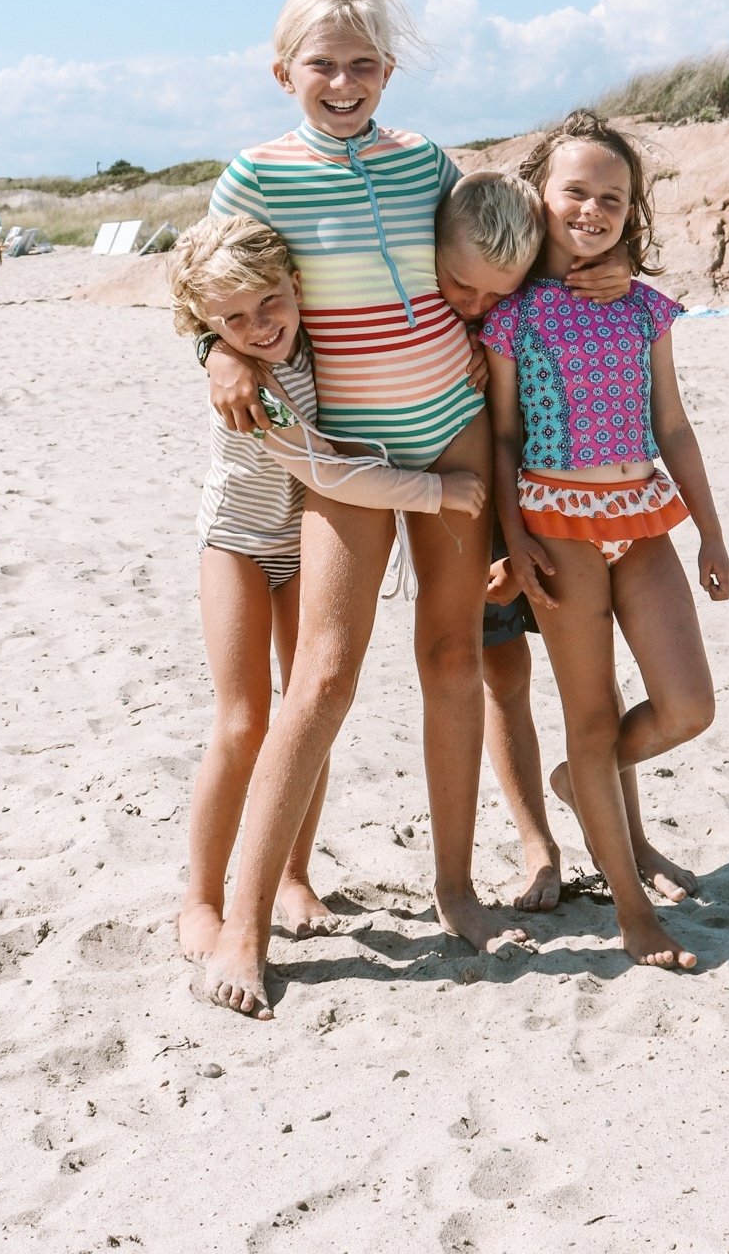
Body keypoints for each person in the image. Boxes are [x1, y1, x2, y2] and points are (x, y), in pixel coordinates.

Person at [198, 0, 525, 1018]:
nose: (343, 81)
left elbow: (479, 259)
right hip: (347, 450)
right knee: (326, 674)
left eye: (364, 63)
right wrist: (216, 350)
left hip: (452, 426)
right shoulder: (256, 173)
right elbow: (205, 279)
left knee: (452, 653)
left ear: (389, 68)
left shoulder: (426, 161)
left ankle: (457, 886)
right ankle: (243, 923)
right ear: (282, 68)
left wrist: (483, 335)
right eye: (323, 63)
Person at [168, 212, 485, 972]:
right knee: (243, 722)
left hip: (305, 545)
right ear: (208, 327)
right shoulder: (249, 384)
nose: (258, 326)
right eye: (233, 321)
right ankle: (201, 899)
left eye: (269, 303)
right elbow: (325, 472)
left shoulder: (326, 341)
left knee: (301, 708)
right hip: (241, 544)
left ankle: (293, 874)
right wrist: (433, 492)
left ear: (296, 284)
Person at [483, 109, 729, 972]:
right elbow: (505, 438)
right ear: (540, 199)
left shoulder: (646, 308)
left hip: (642, 520)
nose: (593, 211)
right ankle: (631, 912)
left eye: (613, 200)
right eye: (576, 193)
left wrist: (710, 531)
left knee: (686, 707)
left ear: (633, 214)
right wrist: (515, 540)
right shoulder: (511, 315)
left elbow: (672, 422)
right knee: (588, 715)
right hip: (556, 531)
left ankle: (578, 782)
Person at [434, 172, 698, 914]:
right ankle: (536, 844)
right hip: (471, 489)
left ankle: (630, 839)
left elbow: (594, 233)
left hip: (573, 493)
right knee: (502, 671)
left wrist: (618, 266)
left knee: (598, 689)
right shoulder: (467, 245)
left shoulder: (592, 287)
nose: (480, 300)